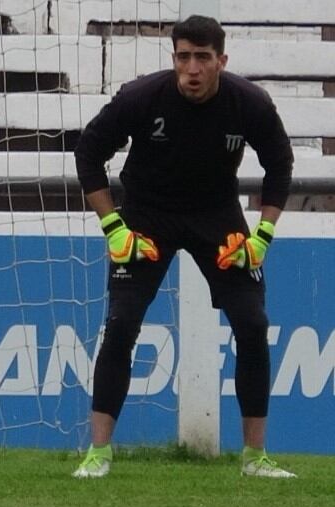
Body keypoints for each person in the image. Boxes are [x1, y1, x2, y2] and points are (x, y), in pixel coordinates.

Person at [72, 15, 296, 479]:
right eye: (183, 57)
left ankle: (255, 459)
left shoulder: (249, 103)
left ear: (221, 61)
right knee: (121, 324)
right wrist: (114, 227)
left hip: (217, 218)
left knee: (253, 324)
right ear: (174, 59)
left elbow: (280, 164)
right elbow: (88, 153)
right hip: (146, 216)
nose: (191, 68)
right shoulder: (141, 97)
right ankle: (98, 454)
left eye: (202, 58)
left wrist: (262, 238)